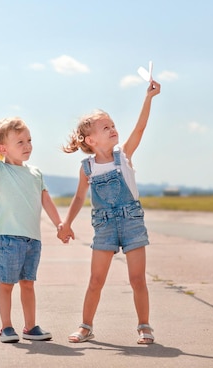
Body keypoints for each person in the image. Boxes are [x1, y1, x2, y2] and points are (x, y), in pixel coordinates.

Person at [58, 80, 161, 344]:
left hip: (131, 223)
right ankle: (86, 325)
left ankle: (144, 326)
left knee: (137, 279)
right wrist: (66, 223)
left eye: (113, 125)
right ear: (91, 140)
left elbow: (140, 127)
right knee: (96, 280)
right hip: (104, 226)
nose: (113, 129)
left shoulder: (124, 154)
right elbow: (80, 196)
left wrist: (148, 98)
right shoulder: (87, 168)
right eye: (106, 127)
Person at [0, 117, 63, 343]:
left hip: (32, 240)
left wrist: (59, 224)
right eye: (20, 142)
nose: (27, 146)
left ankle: (30, 326)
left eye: (29, 140)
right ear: (3, 147)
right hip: (10, 239)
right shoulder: (0, 169)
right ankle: (6, 327)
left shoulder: (35, 172)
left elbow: (45, 199)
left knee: (28, 284)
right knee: (6, 284)